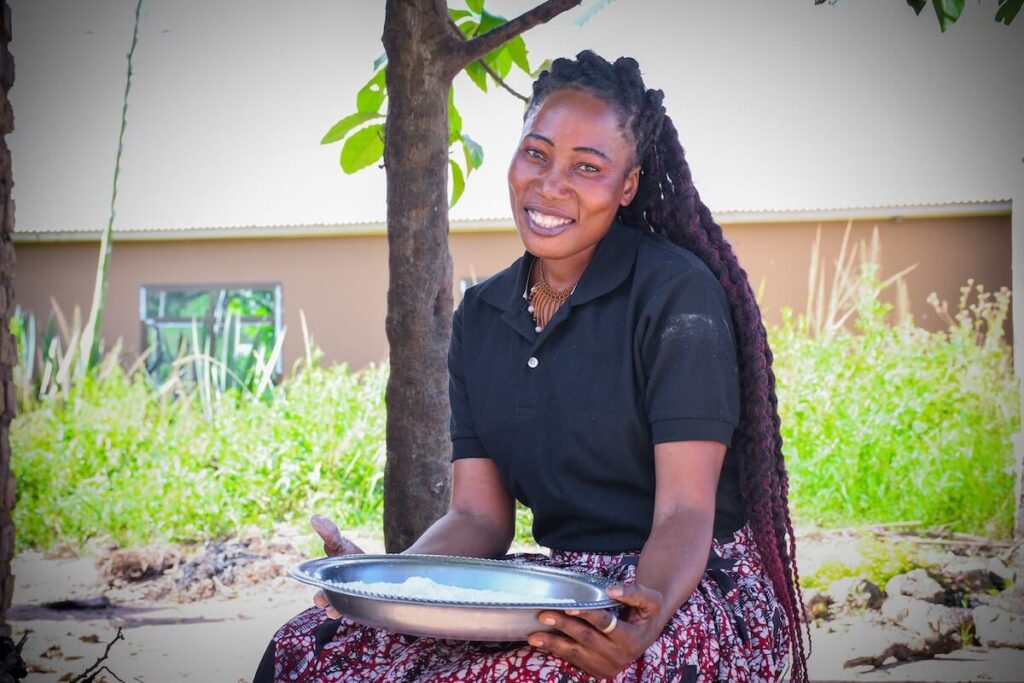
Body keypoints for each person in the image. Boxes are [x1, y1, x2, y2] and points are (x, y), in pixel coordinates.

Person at [254, 50, 808, 683]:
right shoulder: (482, 316)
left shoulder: (676, 295)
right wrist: (390, 581)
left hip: (684, 588)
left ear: (627, 185)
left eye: (588, 166)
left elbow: (685, 513)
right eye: (537, 154)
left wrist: (638, 625)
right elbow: (480, 518)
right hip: (558, 588)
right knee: (311, 646)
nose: (550, 184)